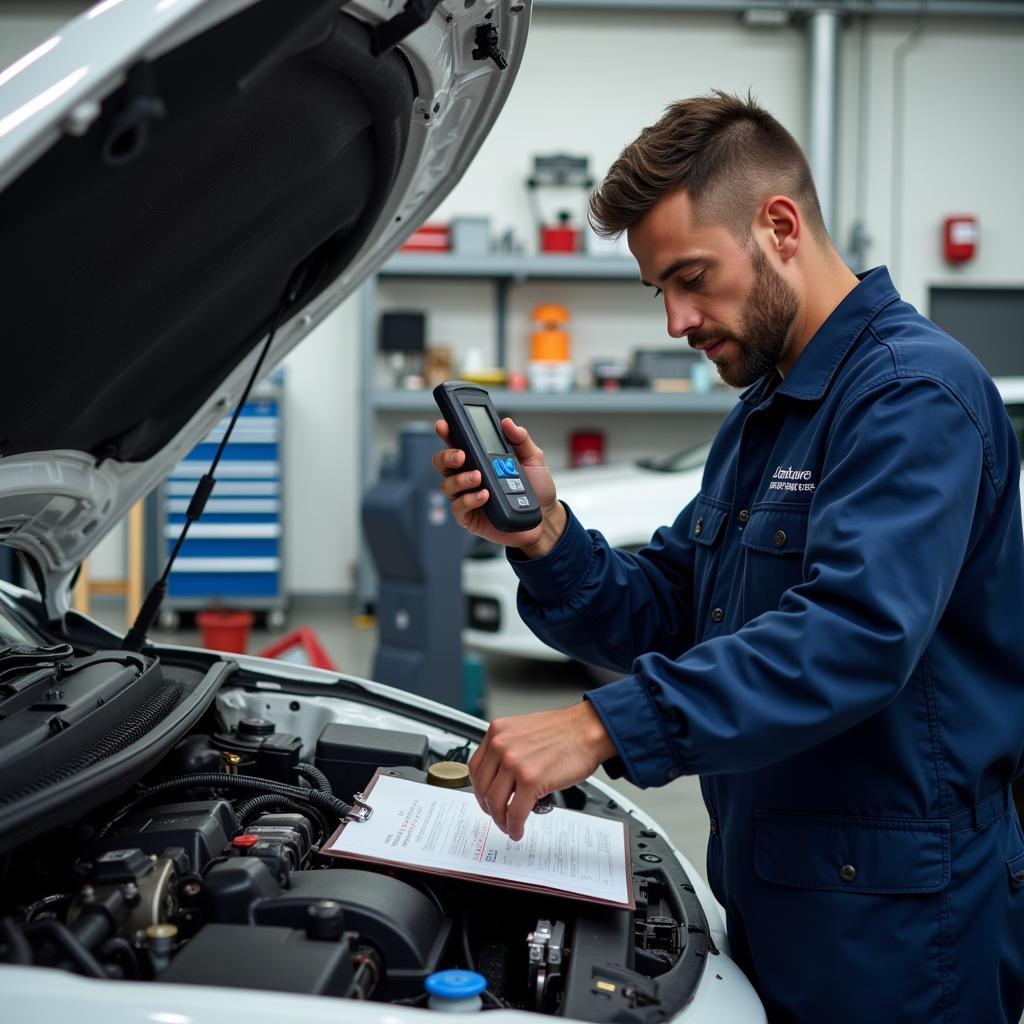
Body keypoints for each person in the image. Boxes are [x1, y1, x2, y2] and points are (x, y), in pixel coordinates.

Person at [432, 91, 1024, 1022]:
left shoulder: (915, 395)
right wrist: (543, 534)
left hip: (898, 935)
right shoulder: (768, 412)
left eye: (692, 276)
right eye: (660, 289)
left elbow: (853, 633)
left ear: (779, 226)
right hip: (785, 897)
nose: (676, 320)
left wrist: (600, 727)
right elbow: (674, 605)